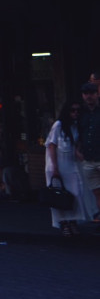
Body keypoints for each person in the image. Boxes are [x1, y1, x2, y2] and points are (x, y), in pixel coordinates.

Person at [46, 101, 98, 237]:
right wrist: (54, 168)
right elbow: (51, 146)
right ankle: (63, 222)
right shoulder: (58, 125)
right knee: (60, 193)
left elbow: (74, 147)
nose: (75, 113)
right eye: (72, 111)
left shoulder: (75, 127)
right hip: (60, 164)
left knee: (76, 193)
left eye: (77, 111)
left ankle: (73, 220)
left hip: (72, 164)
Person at [78, 82, 100, 217]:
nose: (89, 97)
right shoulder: (80, 113)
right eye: (86, 94)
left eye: (91, 93)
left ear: (97, 94)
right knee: (97, 193)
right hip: (88, 159)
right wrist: (78, 152)